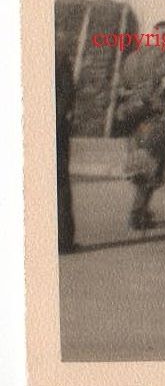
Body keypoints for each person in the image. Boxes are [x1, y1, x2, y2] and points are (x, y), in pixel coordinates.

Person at [118, 20, 165, 231]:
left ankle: (140, 211)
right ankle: (138, 214)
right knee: (155, 163)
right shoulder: (162, 55)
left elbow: (122, 88)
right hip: (154, 116)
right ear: (164, 35)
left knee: (139, 163)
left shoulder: (132, 57)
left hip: (133, 116)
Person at [55, 47, 76, 253]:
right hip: (56, 127)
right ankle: (63, 240)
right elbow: (68, 93)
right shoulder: (59, 57)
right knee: (60, 182)